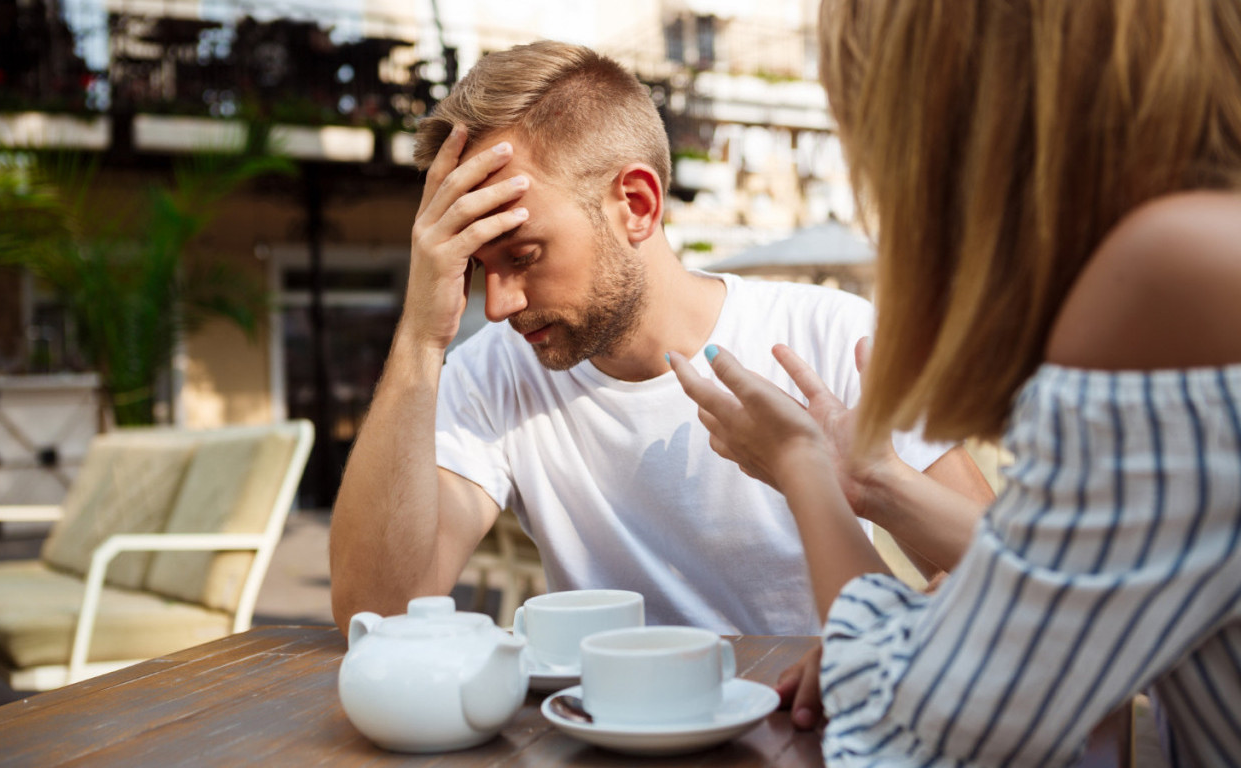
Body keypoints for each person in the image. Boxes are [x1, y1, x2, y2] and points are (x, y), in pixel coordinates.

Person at [670, 0, 1241, 764]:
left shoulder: (1170, 279)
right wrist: (872, 484)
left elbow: (911, 724)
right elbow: (1064, 580)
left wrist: (801, 465)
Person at [329, 40, 992, 641]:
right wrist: (421, 335)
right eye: (478, 268)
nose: (498, 306)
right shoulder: (492, 374)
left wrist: (878, 524)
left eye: (524, 254)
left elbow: (1012, 584)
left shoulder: (829, 337)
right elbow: (377, 614)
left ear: (637, 205)